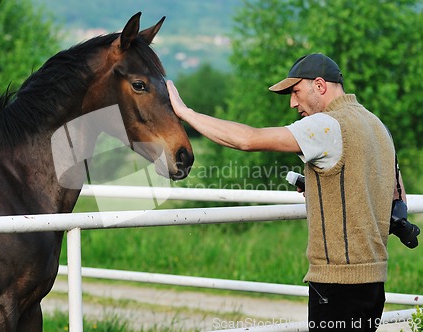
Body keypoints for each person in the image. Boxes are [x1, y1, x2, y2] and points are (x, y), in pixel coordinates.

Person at [167, 53, 405, 331]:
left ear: (319, 85)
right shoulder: (377, 125)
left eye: (295, 91)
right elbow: (391, 193)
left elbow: (247, 140)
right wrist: (321, 190)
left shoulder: (326, 124)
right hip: (374, 283)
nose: (293, 103)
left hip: (338, 284)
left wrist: (186, 113)